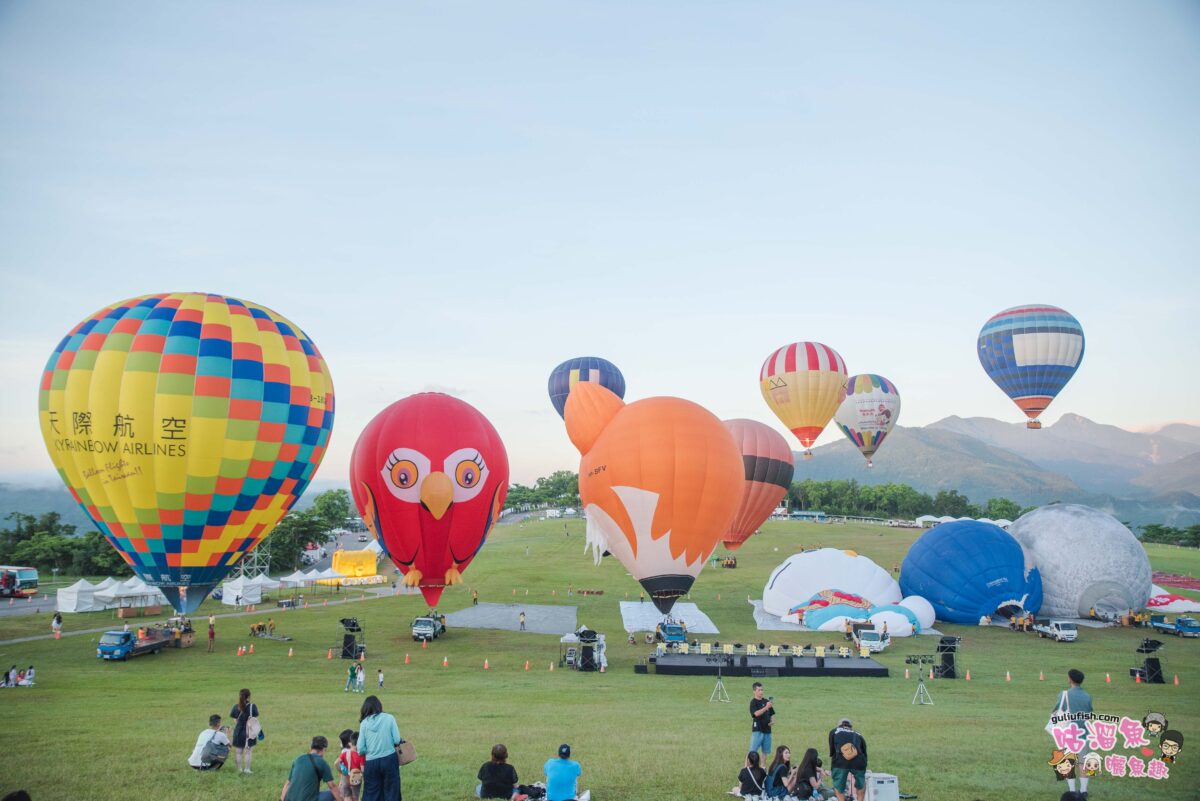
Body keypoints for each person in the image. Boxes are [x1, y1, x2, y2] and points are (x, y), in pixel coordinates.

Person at [1054, 669, 1093, 799]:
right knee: (1083, 762)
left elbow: (1057, 711)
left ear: (1070, 679)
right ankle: (1083, 790)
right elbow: (1089, 713)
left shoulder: (1064, 694)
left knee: (1068, 762)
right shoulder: (1087, 696)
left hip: (1068, 732)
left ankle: (1071, 790)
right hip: (1083, 732)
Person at [357, 695, 402, 801]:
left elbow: (360, 748)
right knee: (392, 791)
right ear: (379, 706)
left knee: (372, 793)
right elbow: (396, 739)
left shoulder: (364, 723)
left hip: (371, 762)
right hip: (389, 759)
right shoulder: (389, 718)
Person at [280, 735, 344, 801]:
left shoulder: (298, 759)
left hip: (290, 799)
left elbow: (288, 783)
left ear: (311, 747)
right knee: (334, 794)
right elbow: (332, 786)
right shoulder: (322, 762)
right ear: (324, 749)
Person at [828, 718, 867, 801]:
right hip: (859, 762)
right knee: (861, 783)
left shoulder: (834, 731)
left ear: (839, 725)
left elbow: (832, 751)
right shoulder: (858, 734)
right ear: (850, 726)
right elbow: (864, 751)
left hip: (840, 762)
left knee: (838, 786)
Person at [230, 687, 260, 774]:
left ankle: (239, 769)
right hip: (249, 732)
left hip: (238, 731)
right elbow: (255, 719)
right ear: (249, 696)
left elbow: (235, 720)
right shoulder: (252, 706)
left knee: (238, 751)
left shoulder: (236, 707)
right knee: (248, 752)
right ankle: (247, 769)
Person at [337, 729, 366, 801]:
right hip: (356, 777)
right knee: (355, 797)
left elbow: (337, 763)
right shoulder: (361, 755)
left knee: (347, 796)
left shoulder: (344, 753)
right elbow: (362, 769)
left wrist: (342, 773)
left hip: (345, 777)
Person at [749, 682, 775, 757]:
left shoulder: (766, 701)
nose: (761, 692)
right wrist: (766, 707)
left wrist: (772, 721)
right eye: (759, 690)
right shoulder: (753, 702)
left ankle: (763, 767)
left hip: (767, 730)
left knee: (765, 751)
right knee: (752, 751)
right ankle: (747, 767)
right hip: (758, 729)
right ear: (754, 691)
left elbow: (772, 713)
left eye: (762, 690)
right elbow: (756, 714)